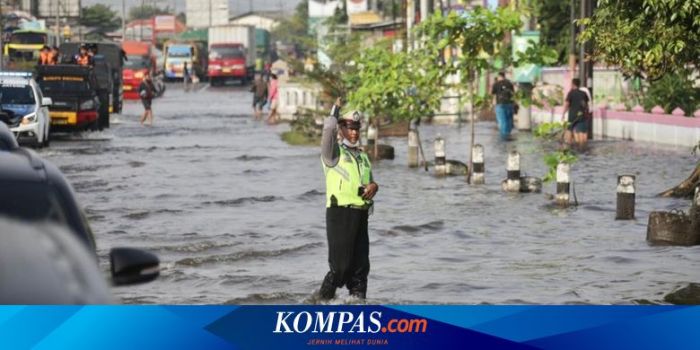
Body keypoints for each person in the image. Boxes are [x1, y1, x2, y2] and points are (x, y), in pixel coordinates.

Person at [317, 98, 379, 300]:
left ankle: (358, 307)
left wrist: (373, 186)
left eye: (356, 129)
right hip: (339, 213)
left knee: (361, 269)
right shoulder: (332, 154)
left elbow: (370, 181)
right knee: (340, 268)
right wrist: (335, 111)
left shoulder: (363, 156)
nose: (354, 133)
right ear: (341, 129)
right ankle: (320, 304)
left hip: (361, 214)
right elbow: (327, 132)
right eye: (349, 128)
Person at [562, 78, 591, 148]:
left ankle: (568, 146)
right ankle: (582, 147)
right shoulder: (584, 93)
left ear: (573, 84)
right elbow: (586, 105)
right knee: (582, 133)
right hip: (581, 116)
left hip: (572, 116)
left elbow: (567, 104)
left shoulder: (570, 93)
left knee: (569, 131)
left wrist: (563, 114)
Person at [491, 71, 515, 140]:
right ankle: (508, 135)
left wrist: (492, 104)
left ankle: (504, 137)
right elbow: (513, 94)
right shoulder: (509, 83)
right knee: (509, 121)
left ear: (499, 76)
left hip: (500, 104)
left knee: (502, 122)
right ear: (504, 76)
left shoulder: (496, 84)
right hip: (509, 104)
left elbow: (493, 95)